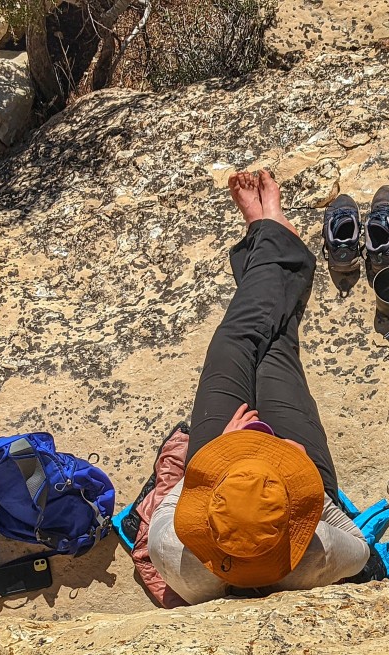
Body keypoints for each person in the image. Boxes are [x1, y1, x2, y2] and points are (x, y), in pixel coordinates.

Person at [148, 170, 371, 603]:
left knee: (235, 341)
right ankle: (271, 237)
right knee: (274, 353)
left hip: (226, 478)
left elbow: (180, 498)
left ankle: (269, 238)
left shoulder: (177, 552)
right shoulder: (313, 556)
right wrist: (305, 487)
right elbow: (358, 546)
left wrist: (212, 464)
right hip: (280, 484)